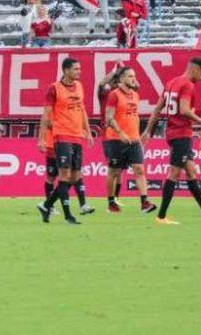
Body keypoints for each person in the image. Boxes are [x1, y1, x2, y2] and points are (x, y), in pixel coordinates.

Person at [141, 58, 201, 225]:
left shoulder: (171, 83)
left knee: (191, 171)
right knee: (174, 174)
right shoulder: (188, 85)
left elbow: (158, 109)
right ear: (194, 69)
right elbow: (184, 110)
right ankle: (161, 216)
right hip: (181, 134)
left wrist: (147, 131)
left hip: (173, 134)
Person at [37, 58, 94, 224]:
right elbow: (46, 115)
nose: (79, 72)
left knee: (74, 176)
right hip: (61, 135)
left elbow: (82, 110)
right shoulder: (54, 89)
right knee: (64, 175)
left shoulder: (80, 86)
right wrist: (41, 139)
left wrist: (88, 132)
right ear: (66, 70)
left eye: (79, 68)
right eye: (76, 69)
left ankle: (46, 205)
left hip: (77, 135)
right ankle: (68, 216)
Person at [103, 66, 156, 214]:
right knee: (114, 171)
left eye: (134, 76)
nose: (134, 79)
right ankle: (111, 202)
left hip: (134, 139)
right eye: (130, 76)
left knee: (139, 169)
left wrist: (139, 135)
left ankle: (144, 202)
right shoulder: (114, 95)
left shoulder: (135, 94)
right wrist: (120, 133)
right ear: (121, 79)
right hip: (116, 139)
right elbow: (109, 118)